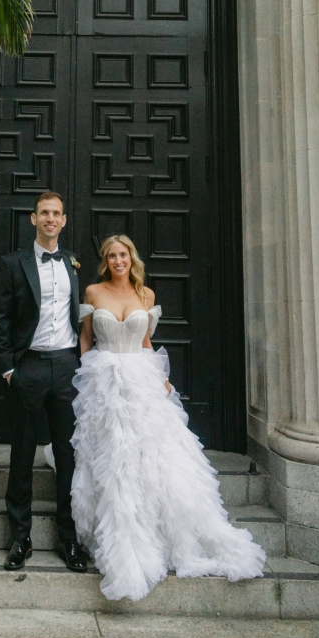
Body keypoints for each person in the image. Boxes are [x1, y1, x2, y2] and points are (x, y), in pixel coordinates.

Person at [71, 234, 266, 601]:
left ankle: (159, 530)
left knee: (155, 456)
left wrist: (162, 379)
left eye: (123, 254)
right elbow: (85, 338)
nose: (118, 260)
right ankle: (119, 537)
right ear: (105, 260)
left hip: (140, 380)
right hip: (103, 381)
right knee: (113, 458)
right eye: (111, 255)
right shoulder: (94, 292)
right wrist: (82, 376)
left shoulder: (147, 296)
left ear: (132, 258)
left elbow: (145, 343)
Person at [0, 190, 87, 573]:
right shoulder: (13, 264)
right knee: (22, 454)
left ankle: (69, 538)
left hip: (66, 367)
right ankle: (20, 537)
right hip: (27, 368)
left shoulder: (73, 263)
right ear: (33, 219)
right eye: (44, 213)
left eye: (56, 213)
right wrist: (9, 369)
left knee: (69, 457)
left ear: (64, 221)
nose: (50, 218)